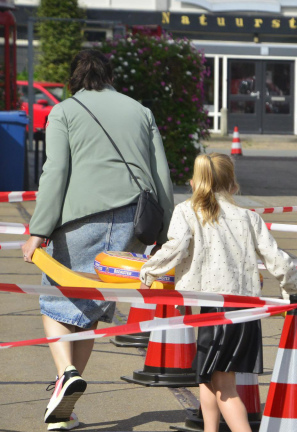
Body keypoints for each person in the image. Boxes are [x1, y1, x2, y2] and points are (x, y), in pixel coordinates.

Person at [20, 49, 174, 431]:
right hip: (133, 223)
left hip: (80, 219)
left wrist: (38, 229)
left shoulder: (65, 112)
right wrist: (167, 233)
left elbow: (55, 171)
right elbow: (162, 175)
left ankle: (66, 373)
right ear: (109, 75)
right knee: (91, 309)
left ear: (73, 78)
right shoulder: (140, 111)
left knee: (54, 300)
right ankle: (65, 405)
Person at [139, 153, 297, 432]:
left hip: (214, 309)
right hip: (245, 308)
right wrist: (293, 291)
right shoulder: (249, 217)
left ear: (194, 182)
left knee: (224, 387)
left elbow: (176, 248)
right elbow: (278, 258)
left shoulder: (187, 210)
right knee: (206, 377)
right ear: (233, 185)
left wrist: (148, 270)